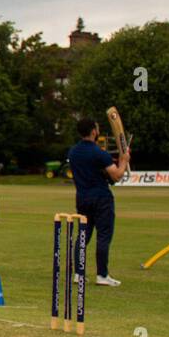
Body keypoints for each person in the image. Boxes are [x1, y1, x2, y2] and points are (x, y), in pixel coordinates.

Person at [67, 118, 129, 286]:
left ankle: (78, 274)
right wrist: (124, 161)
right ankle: (102, 275)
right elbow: (116, 175)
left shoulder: (73, 152)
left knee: (82, 236)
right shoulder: (99, 153)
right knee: (103, 236)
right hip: (101, 198)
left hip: (82, 198)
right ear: (93, 131)